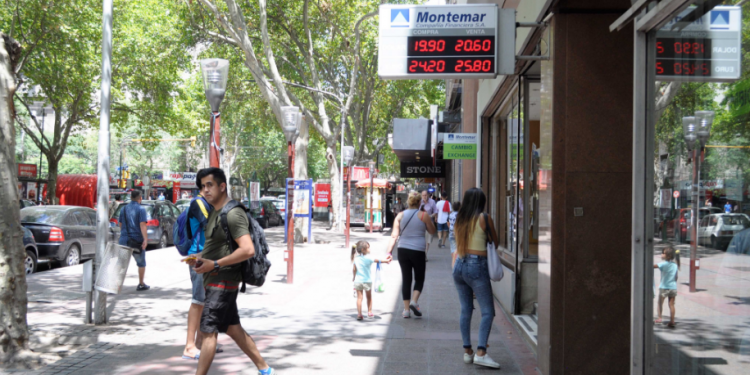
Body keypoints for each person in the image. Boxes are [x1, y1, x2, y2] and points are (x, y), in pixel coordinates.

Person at [186, 168, 275, 375]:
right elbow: (219, 246)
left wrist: (214, 264)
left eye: (209, 185)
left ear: (222, 186)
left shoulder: (233, 213)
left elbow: (248, 249)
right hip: (215, 281)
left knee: (208, 331)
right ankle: (265, 369)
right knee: (234, 329)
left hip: (223, 281)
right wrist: (199, 259)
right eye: (202, 187)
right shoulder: (216, 212)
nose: (205, 190)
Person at [451, 188, 500, 369]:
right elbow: (495, 242)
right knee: (488, 311)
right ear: (481, 202)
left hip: (459, 266)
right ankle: (481, 352)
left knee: (466, 309)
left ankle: (467, 352)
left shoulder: (459, 219)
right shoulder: (484, 218)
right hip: (476, 266)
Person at [387, 192, 436, 318]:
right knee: (419, 278)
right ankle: (414, 301)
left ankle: (406, 310)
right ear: (420, 202)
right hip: (418, 250)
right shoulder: (423, 215)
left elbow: (394, 235)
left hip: (402, 250)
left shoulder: (400, 216)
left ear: (408, 202)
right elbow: (432, 231)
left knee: (406, 279)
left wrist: (389, 251)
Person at [182, 172, 213, 360]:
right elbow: (210, 225)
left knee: (206, 300)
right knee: (198, 300)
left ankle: (201, 342)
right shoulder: (199, 203)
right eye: (209, 185)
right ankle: (189, 346)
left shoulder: (207, 203)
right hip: (198, 256)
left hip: (207, 256)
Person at [351, 240, 391, 320]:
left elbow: (354, 269)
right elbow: (379, 260)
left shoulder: (356, 259)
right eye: (368, 248)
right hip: (367, 281)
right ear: (363, 249)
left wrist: (354, 277)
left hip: (358, 281)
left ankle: (359, 314)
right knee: (369, 297)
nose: (370, 249)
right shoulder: (369, 258)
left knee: (359, 298)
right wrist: (387, 261)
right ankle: (369, 312)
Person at [119, 190, 150, 291]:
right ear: (140, 198)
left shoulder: (123, 209)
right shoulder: (141, 209)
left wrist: (124, 234)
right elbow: (143, 225)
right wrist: (145, 239)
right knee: (141, 263)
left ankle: (116, 286)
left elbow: (120, 224)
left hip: (124, 240)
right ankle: (141, 284)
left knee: (121, 263)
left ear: (131, 197)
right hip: (137, 241)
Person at [654, 246, 679, 328]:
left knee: (660, 303)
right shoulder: (675, 265)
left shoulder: (663, 264)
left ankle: (659, 318)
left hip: (664, 287)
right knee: (671, 304)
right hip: (673, 287)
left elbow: (653, 266)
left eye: (663, 253)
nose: (661, 254)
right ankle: (672, 321)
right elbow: (676, 277)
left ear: (667, 255)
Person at [419, 190, 438, 256]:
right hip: (421, 223)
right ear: (421, 196)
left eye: (426, 195)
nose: (425, 196)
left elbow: (435, 211)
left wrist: (431, 216)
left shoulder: (432, 202)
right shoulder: (420, 202)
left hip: (429, 223)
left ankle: (425, 253)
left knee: (428, 240)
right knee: (421, 239)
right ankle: (423, 253)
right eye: (423, 195)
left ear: (428, 195)